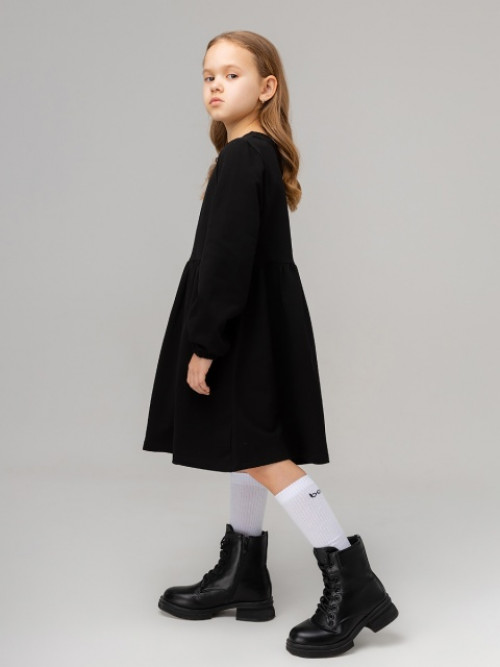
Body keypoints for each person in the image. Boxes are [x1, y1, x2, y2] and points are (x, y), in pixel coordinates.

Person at [142, 30, 398, 658]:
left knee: (259, 447)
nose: (215, 85)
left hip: (241, 325)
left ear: (266, 87)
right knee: (244, 439)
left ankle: (353, 581)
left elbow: (227, 259)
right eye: (208, 75)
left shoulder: (242, 158)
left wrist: (206, 342)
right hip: (258, 319)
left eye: (231, 75)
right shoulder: (252, 155)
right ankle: (244, 575)